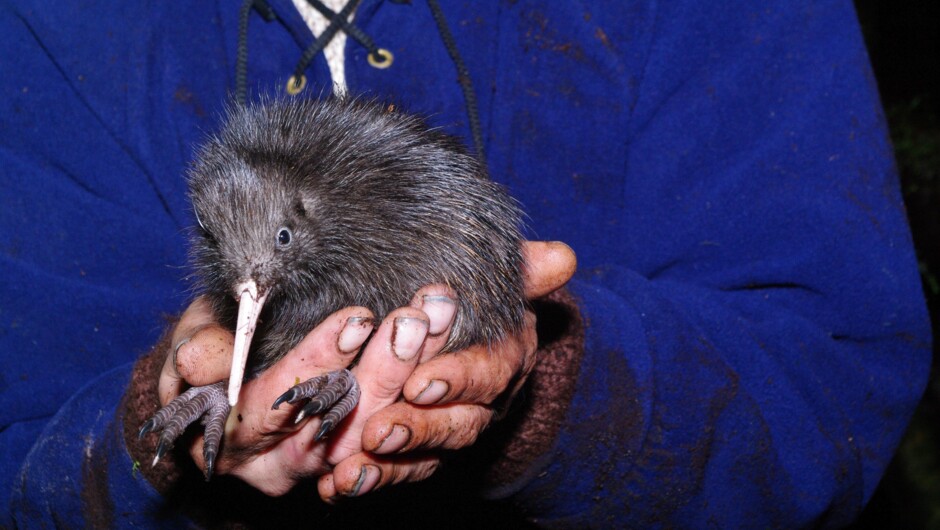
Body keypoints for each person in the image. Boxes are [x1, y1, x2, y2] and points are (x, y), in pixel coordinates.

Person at [0, 0, 930, 527]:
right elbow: (23, 452)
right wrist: (152, 426)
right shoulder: (57, 28)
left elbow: (833, 375)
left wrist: (545, 385)